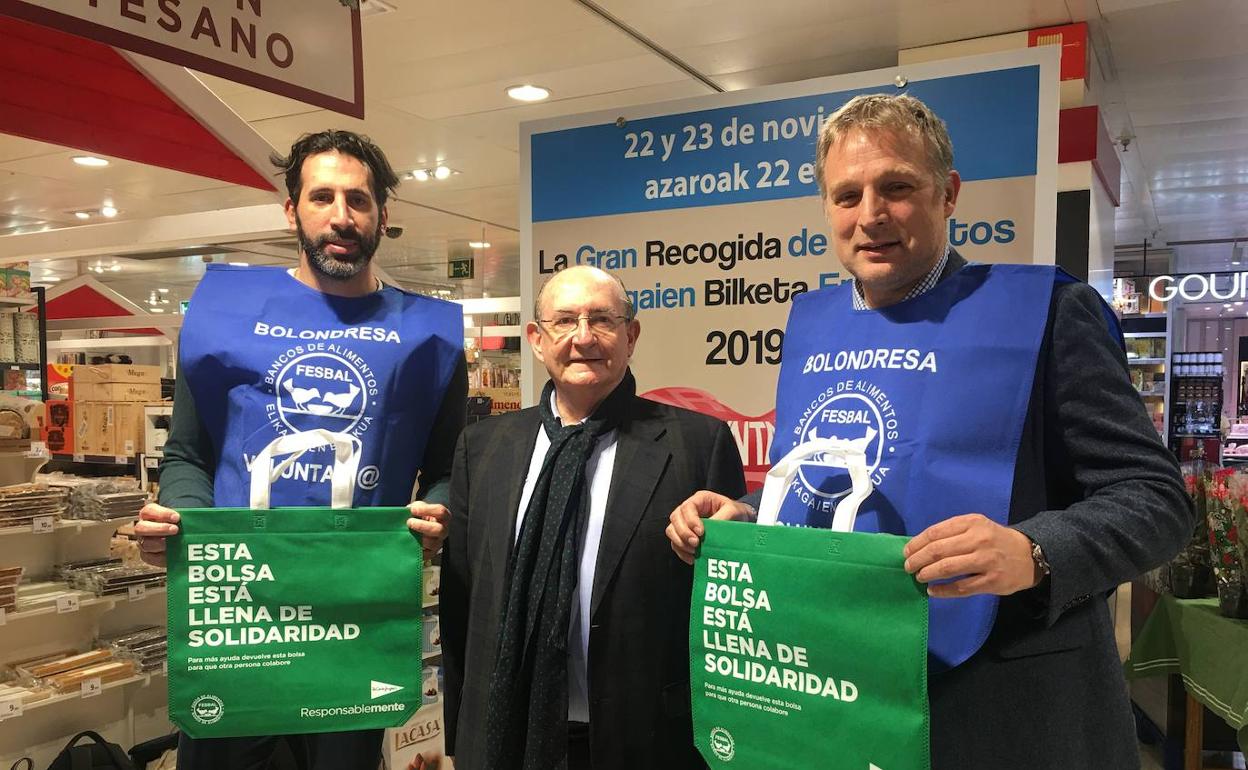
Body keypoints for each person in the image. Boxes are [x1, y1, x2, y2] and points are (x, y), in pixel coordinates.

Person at [667, 94, 1194, 769]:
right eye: (847, 195)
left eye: (896, 187)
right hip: (850, 698)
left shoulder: (1048, 314)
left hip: (1008, 712)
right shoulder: (814, 328)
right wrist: (745, 520)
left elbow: (1157, 499)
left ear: (948, 194)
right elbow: (845, 501)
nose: (871, 215)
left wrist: (1033, 550)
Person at [134, 129, 467, 770]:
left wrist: (438, 510)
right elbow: (186, 456)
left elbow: (450, 467)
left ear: (382, 217)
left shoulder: (427, 337)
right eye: (322, 197)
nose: (341, 216)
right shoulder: (224, 315)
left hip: (356, 615)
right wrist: (182, 522)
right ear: (292, 210)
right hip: (235, 616)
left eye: (359, 200)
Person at [441, 265, 746, 770]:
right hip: (506, 736)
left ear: (631, 335)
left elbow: (728, 602)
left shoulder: (698, 443)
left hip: (646, 740)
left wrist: (740, 530)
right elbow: (463, 600)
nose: (584, 337)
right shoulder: (483, 448)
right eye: (565, 321)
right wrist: (461, 733)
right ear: (537, 340)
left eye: (602, 319)